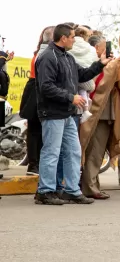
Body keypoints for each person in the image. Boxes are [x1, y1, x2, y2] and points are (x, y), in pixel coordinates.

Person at [34, 24, 110, 205]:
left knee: (73, 152)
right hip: (53, 113)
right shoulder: (47, 57)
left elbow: (81, 75)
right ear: (63, 38)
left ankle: (71, 190)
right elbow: (46, 87)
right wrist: (71, 97)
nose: (75, 40)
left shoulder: (68, 57)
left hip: (67, 113)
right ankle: (45, 191)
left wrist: (100, 65)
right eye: (73, 37)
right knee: (51, 152)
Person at [79, 26, 120, 200]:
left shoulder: (103, 61)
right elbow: (105, 77)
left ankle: (93, 184)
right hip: (97, 113)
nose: (107, 51)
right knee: (94, 151)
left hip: (107, 112)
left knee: (98, 151)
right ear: (95, 48)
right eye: (103, 47)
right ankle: (89, 186)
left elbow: (118, 74)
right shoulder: (91, 62)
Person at [20, 26, 54, 176]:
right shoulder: (46, 53)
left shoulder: (40, 51)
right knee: (36, 130)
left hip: (34, 89)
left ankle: (34, 164)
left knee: (36, 130)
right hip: (36, 90)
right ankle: (34, 164)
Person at [67, 26, 98, 123]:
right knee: (84, 89)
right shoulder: (90, 49)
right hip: (86, 75)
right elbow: (95, 61)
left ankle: (85, 109)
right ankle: (86, 108)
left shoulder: (69, 46)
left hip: (72, 77)